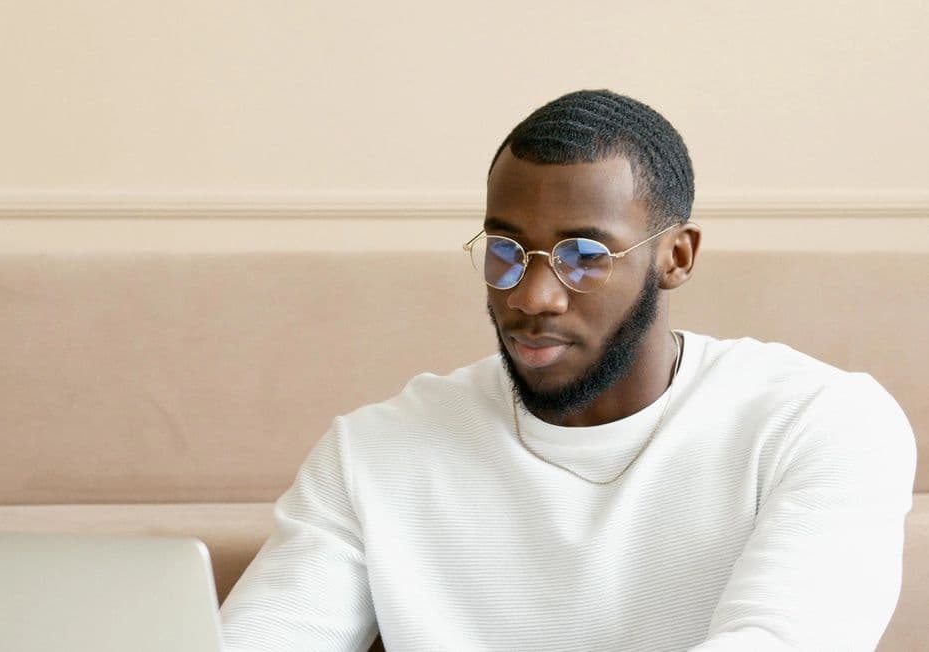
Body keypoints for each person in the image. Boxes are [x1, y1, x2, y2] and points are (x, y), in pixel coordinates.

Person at [219, 90, 916, 651]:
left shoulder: (820, 423)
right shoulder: (375, 450)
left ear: (677, 257)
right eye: (506, 251)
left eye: (584, 256)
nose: (531, 296)